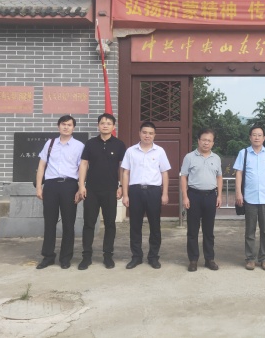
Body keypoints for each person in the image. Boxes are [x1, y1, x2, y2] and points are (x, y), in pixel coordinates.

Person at [76, 113, 127, 270]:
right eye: (102, 123)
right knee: (89, 223)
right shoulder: (90, 143)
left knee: (110, 224)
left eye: (108, 123)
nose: (105, 125)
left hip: (110, 190)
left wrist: (121, 186)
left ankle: (108, 256)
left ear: (113, 126)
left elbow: (122, 167)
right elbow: (84, 164)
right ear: (98, 126)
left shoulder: (119, 145)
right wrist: (81, 185)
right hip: (91, 190)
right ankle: (86, 256)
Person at [35, 115, 84, 270]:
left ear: (73, 128)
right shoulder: (50, 143)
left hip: (69, 185)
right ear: (58, 126)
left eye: (69, 125)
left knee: (68, 223)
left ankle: (65, 258)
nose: (66, 127)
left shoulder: (79, 146)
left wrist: (81, 187)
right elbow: (41, 166)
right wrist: (39, 187)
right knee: (49, 222)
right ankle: (48, 256)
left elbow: (82, 168)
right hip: (50, 185)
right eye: (63, 124)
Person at [121, 121, 171, 269]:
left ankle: (153, 257)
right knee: (135, 226)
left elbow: (164, 173)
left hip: (153, 191)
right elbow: (125, 173)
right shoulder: (131, 151)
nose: (147, 136)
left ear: (154, 135)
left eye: (150, 133)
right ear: (139, 133)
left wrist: (165, 193)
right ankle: (136, 257)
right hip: (135, 191)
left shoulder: (160, 151)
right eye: (144, 132)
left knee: (155, 225)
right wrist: (125, 194)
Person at [234, 125, 265, 271]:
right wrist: (238, 193)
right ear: (250, 137)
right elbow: (239, 173)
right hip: (250, 197)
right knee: (250, 230)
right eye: (254, 134)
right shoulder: (243, 153)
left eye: (260, 135)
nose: (257, 137)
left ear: (264, 138)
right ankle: (250, 258)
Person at [180, 128, 223, 272]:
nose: (206, 143)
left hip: (210, 196)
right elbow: (184, 177)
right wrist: (185, 196)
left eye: (209, 140)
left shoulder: (216, 158)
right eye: (204, 140)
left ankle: (209, 259)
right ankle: (193, 260)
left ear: (213, 143)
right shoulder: (189, 157)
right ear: (198, 141)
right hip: (193, 196)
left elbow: (219, 177)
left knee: (208, 230)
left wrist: (219, 195)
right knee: (192, 230)